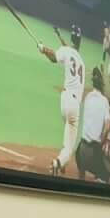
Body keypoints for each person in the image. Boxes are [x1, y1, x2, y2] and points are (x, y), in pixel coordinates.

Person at [38, 24, 85, 175]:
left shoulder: (66, 51)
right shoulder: (82, 62)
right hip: (74, 105)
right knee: (69, 146)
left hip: (64, 100)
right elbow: (68, 51)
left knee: (67, 129)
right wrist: (58, 38)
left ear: (71, 38)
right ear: (80, 41)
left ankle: (62, 162)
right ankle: (57, 163)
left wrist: (42, 48)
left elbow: (54, 56)